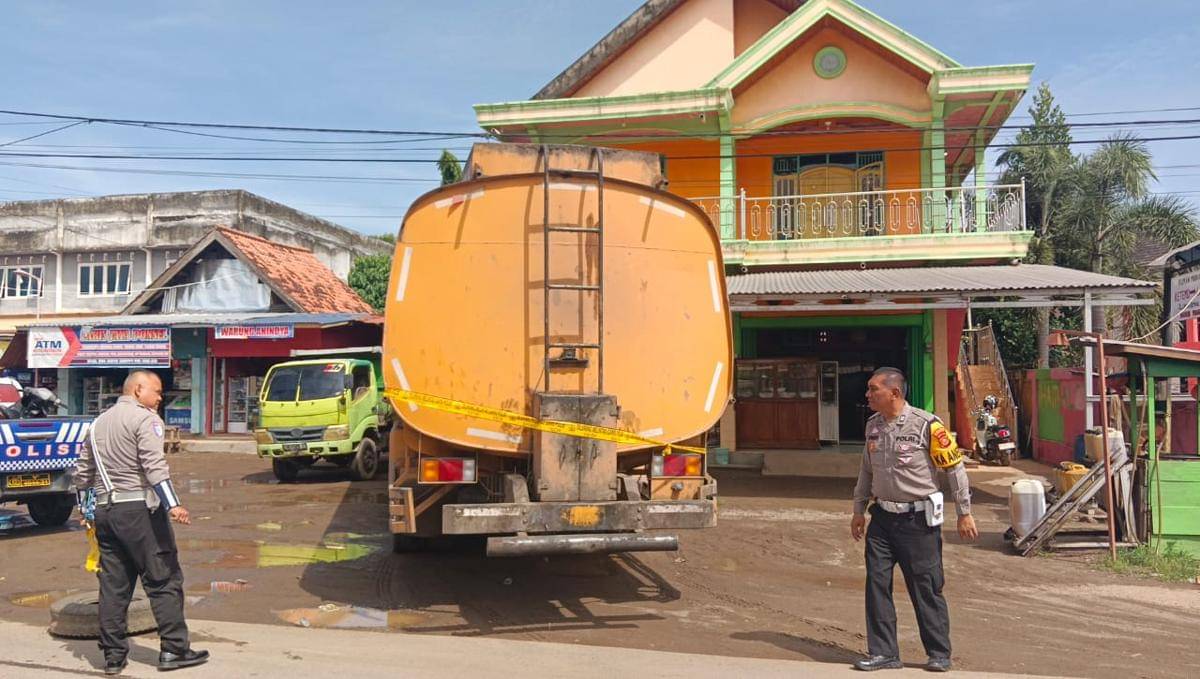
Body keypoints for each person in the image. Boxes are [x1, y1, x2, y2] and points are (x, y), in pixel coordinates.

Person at [75, 370, 208, 675]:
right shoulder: (146, 420)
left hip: (106, 514)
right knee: (163, 580)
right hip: (139, 512)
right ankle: (174, 650)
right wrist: (173, 504)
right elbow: (154, 467)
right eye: (157, 391)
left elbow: (82, 475)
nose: (160, 398)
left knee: (114, 586)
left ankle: (112, 656)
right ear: (137, 390)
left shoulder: (96, 425)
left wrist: (85, 510)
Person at [850, 367, 978, 673]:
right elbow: (866, 471)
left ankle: (938, 653)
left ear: (894, 393)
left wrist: (964, 511)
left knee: (925, 586)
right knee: (877, 584)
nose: (867, 395)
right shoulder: (873, 426)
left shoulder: (928, 425)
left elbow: (954, 469)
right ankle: (883, 653)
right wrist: (858, 509)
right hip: (881, 519)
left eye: (873, 389)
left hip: (918, 522)